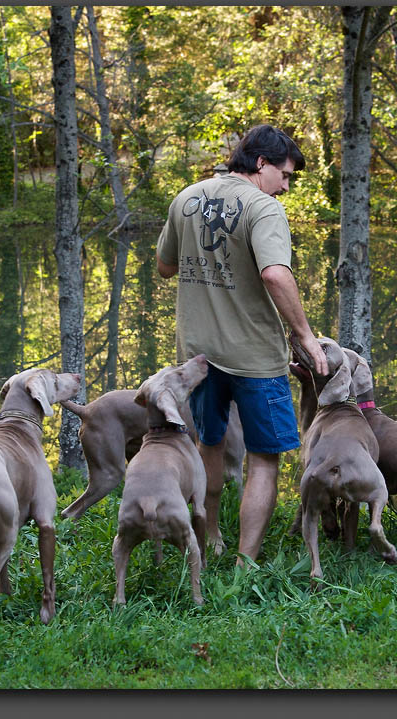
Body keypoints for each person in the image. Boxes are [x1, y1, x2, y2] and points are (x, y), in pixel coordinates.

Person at [156, 124, 329, 565]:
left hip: (198, 353)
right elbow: (274, 273)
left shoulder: (186, 198)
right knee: (264, 459)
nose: (286, 187)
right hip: (254, 356)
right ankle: (245, 562)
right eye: (285, 175)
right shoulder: (263, 208)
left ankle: (210, 537)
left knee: (209, 445)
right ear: (260, 164)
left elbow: (165, 266)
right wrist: (304, 334)